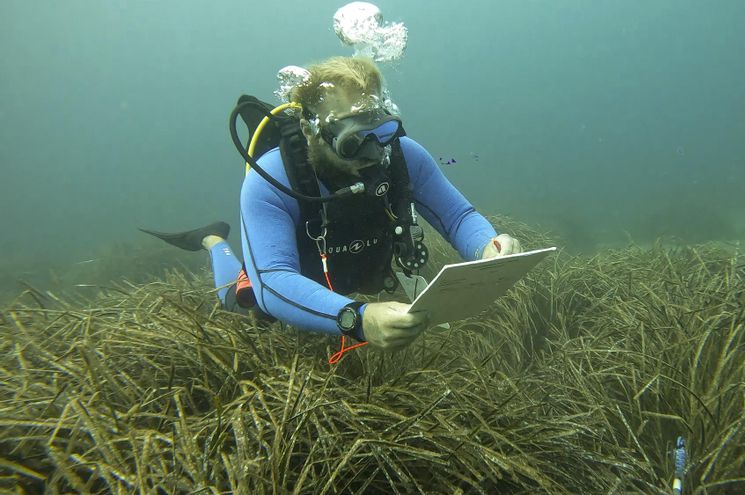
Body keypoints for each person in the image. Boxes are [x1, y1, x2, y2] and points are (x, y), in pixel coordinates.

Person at [142, 56, 522, 354]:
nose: (374, 151)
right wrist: (356, 319)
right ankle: (211, 240)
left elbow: (458, 217)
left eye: (380, 128)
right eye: (352, 137)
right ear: (312, 129)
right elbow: (273, 281)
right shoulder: (271, 180)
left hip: (361, 274)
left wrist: (488, 246)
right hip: (299, 276)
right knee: (239, 302)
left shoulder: (404, 155)